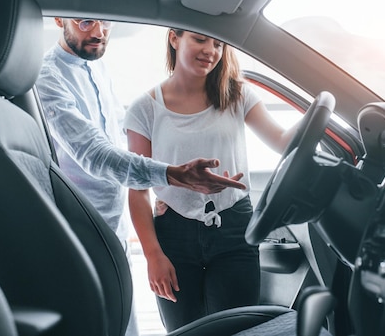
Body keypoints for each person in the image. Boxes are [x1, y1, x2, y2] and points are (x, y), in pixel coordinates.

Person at [36, 18, 247, 336]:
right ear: (59, 20)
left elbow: (116, 143)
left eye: (106, 23)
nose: (98, 32)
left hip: (111, 224)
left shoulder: (95, 65)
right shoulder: (48, 77)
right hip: (81, 230)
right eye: (85, 22)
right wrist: (172, 176)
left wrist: (163, 187)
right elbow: (95, 155)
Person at [124, 28, 298, 331]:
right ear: (174, 38)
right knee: (185, 331)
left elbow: (283, 140)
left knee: (238, 330)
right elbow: (137, 191)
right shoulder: (145, 109)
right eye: (201, 39)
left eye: (218, 43)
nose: (211, 51)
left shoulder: (237, 94)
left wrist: (322, 107)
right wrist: (153, 256)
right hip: (173, 234)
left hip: (233, 227)